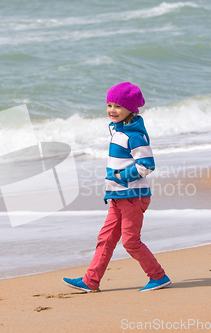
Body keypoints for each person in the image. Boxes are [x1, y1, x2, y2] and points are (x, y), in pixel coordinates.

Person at [63, 82, 171, 292]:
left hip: (133, 197)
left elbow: (147, 165)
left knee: (131, 242)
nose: (112, 110)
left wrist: (121, 177)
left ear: (130, 108)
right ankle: (90, 280)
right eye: (109, 105)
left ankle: (158, 276)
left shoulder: (134, 135)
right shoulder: (118, 131)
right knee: (105, 239)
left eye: (118, 106)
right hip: (118, 197)